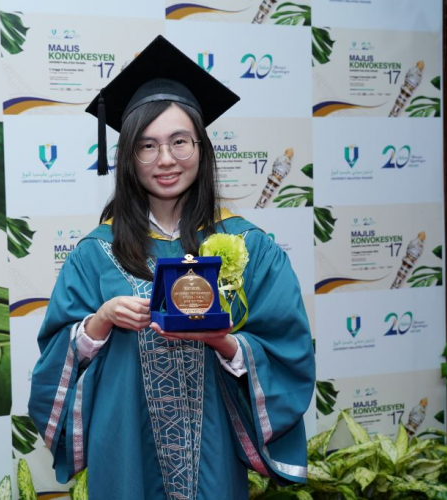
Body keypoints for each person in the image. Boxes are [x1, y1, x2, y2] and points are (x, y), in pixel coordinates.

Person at [28, 36, 315, 500]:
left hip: (214, 455)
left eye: (180, 142)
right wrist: (99, 323)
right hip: (124, 452)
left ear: (201, 147)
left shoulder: (248, 247)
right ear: (128, 158)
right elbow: (52, 365)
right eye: (147, 146)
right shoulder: (95, 253)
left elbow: (289, 351)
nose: (165, 159)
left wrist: (221, 341)